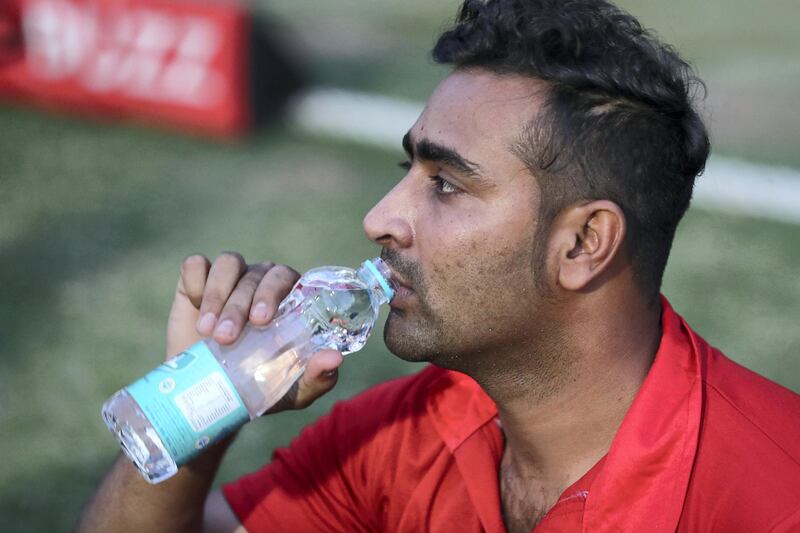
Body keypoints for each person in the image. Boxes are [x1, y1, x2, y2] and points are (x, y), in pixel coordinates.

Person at [78, 0, 800, 531]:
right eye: (409, 168)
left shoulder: (773, 491)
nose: (380, 218)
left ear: (583, 245)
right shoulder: (400, 435)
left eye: (446, 185)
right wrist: (200, 413)